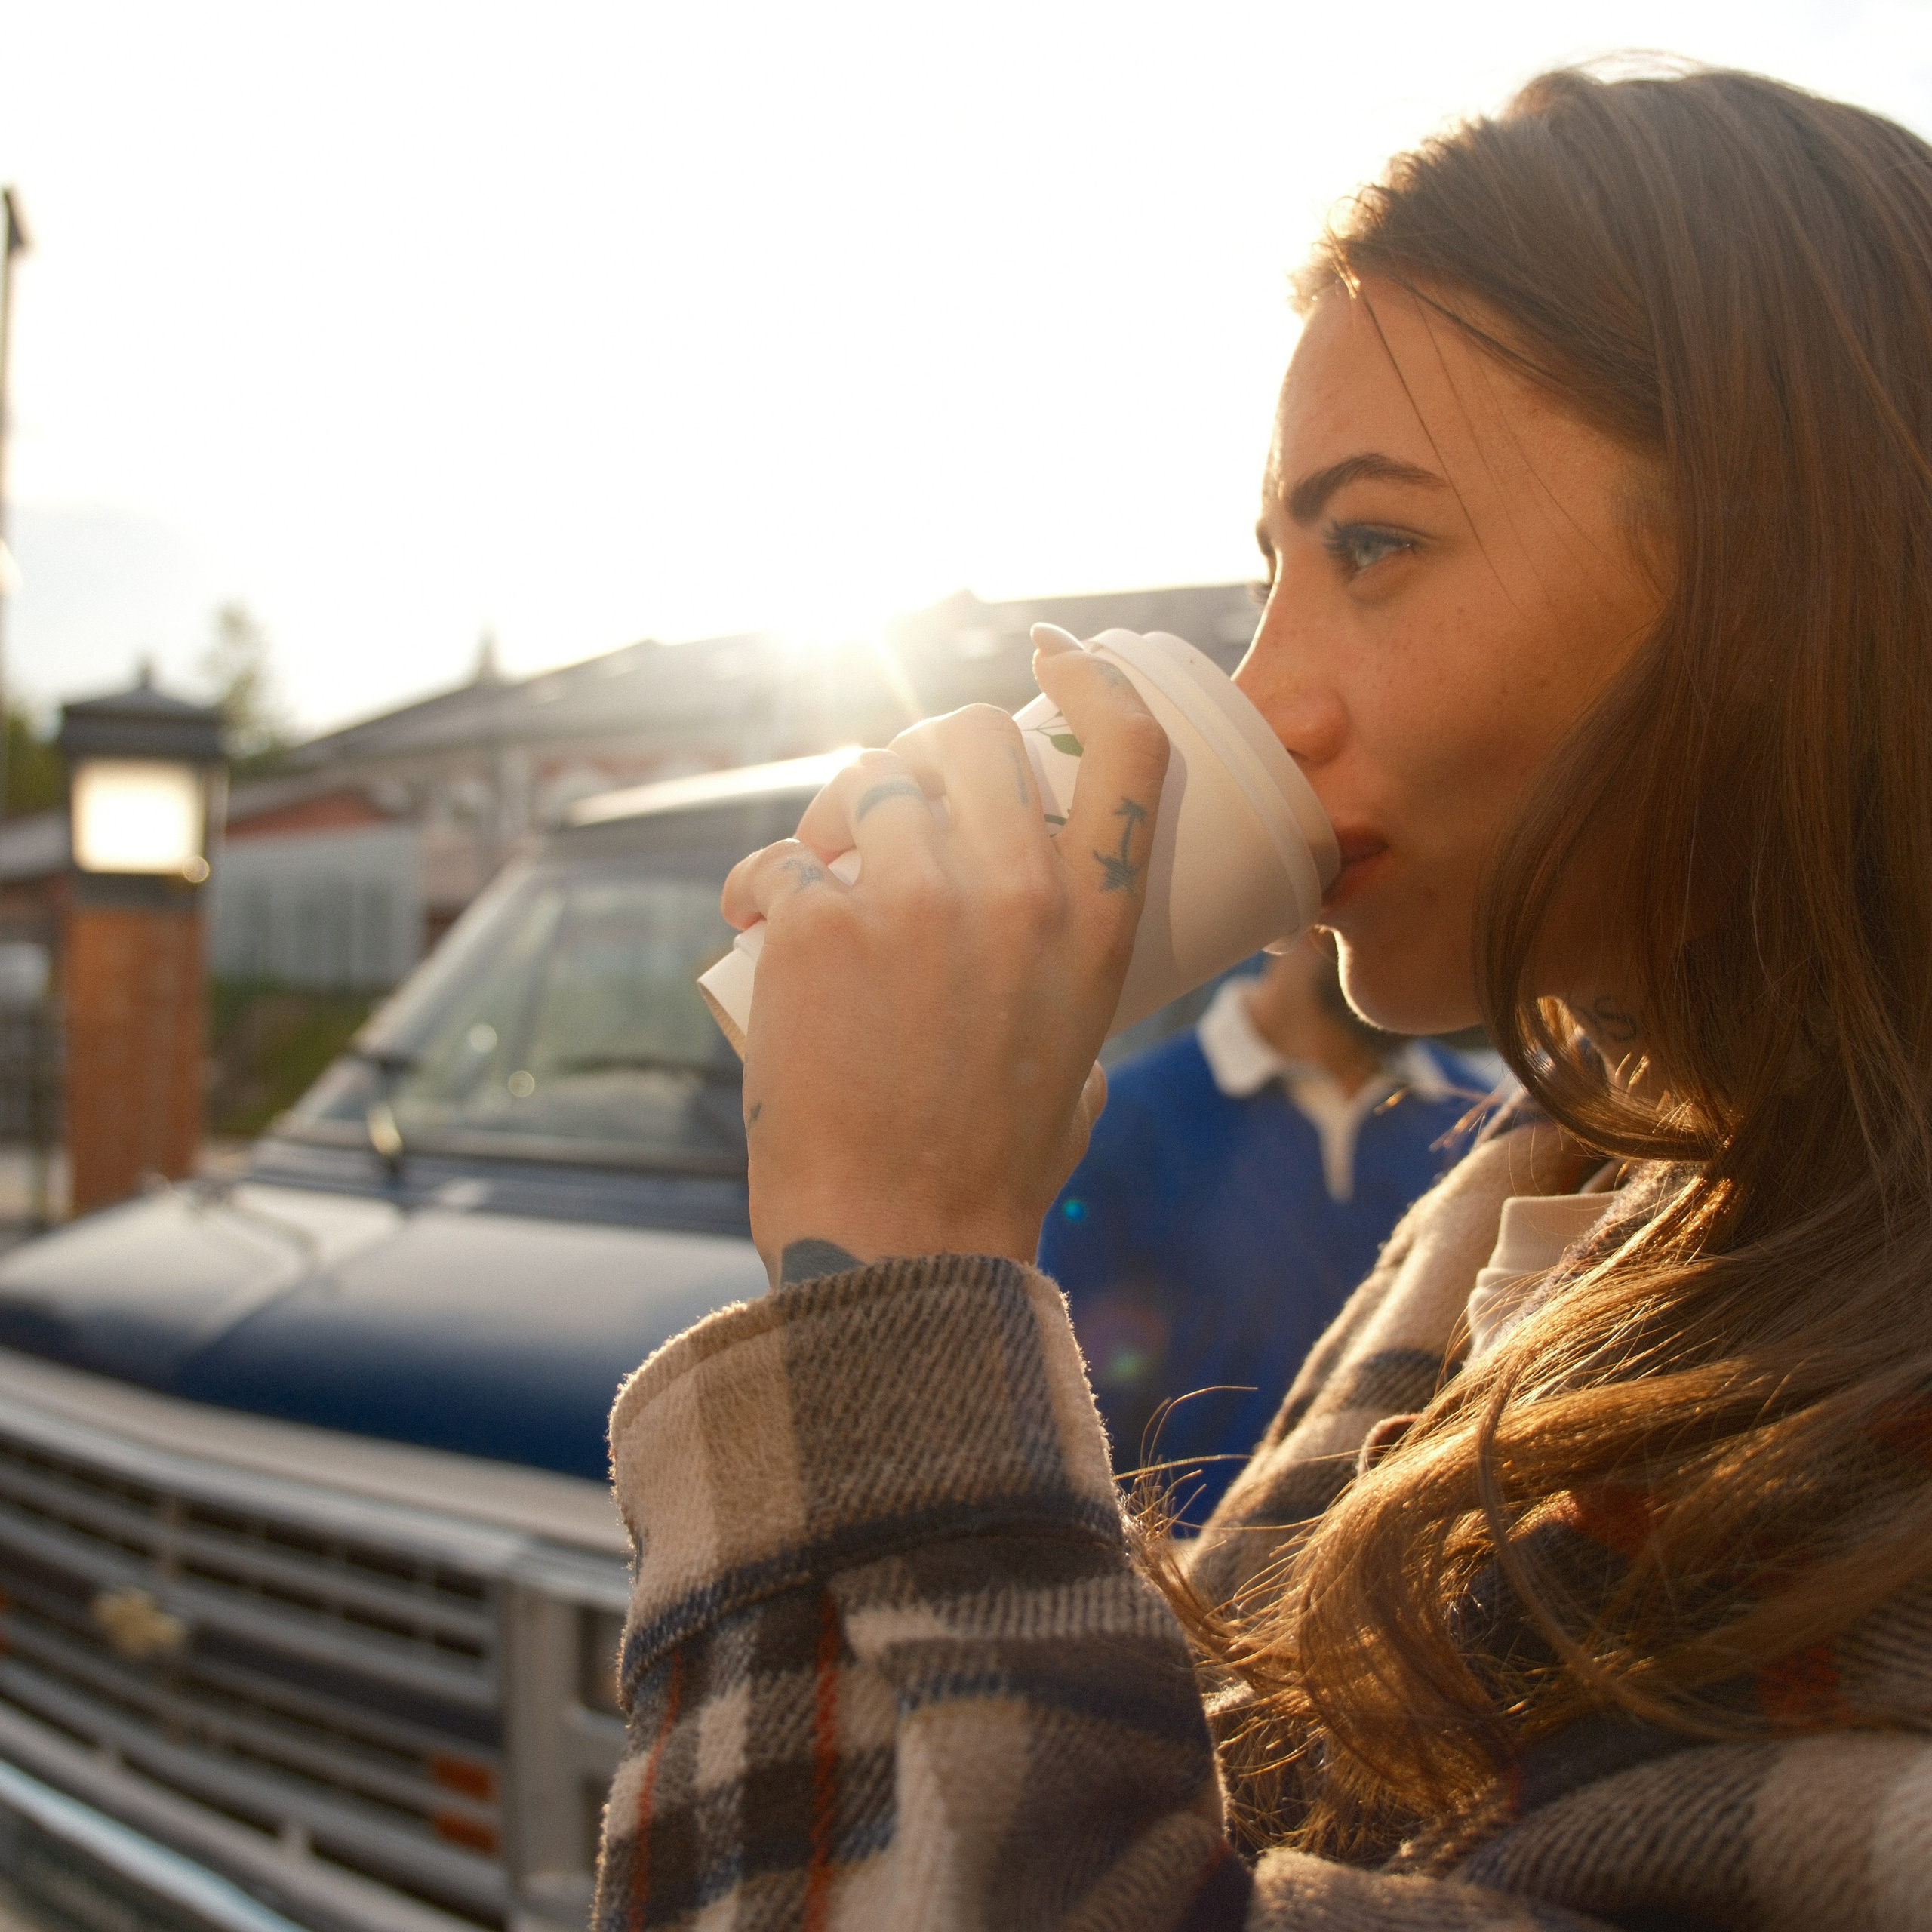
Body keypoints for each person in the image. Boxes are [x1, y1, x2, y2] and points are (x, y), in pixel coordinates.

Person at [594, 65, 1932, 1929]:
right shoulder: (1555, 1198)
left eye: (1370, 543)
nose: (1268, 689)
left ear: (1783, 566)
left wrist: (893, 1263)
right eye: (1268, 564)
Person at [1042, 937, 1485, 1521]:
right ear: (1309, 919)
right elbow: (1065, 1412)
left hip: (1408, 1576)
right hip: (1186, 1582)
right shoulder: (1123, 1123)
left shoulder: (1484, 1125)